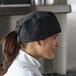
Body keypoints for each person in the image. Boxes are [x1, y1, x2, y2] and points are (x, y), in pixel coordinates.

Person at [0, 11, 61, 76]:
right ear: (38, 40)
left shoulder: (22, 66)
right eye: (54, 38)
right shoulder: (26, 73)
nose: (57, 44)